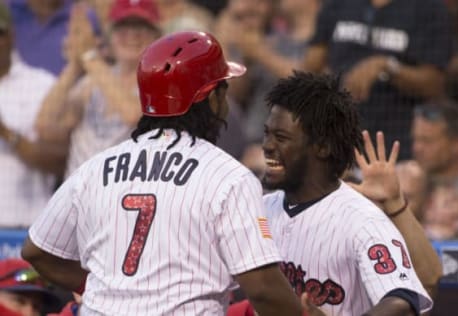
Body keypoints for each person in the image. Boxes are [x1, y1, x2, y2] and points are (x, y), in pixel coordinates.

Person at [21, 31, 324, 316]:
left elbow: (37, 251)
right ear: (209, 98)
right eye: (222, 89)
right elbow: (263, 289)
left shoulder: (95, 167)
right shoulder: (228, 176)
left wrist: (102, 289)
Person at [260, 71, 432, 315]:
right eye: (267, 133)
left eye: (281, 137)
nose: (267, 146)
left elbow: (402, 301)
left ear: (322, 147)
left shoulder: (363, 220)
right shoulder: (258, 209)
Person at [302, 0, 454, 160]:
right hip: (338, 138)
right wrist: (336, 82)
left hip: (397, 144)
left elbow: (434, 84)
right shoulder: (338, 4)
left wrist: (387, 67)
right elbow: (310, 67)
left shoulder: (429, 8)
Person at [35, 0, 160, 178]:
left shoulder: (161, 80)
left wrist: (89, 56)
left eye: (142, 27)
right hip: (79, 195)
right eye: (123, 27)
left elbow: (133, 115)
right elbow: (45, 127)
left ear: (157, 36)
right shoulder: (91, 81)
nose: (132, 35)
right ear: (110, 35)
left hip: (125, 194)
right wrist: (74, 66)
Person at [0, 0, 66, 228]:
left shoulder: (42, 85)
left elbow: (61, 161)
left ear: (12, 36)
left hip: (25, 226)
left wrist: (6, 132)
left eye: (0, 33)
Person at [404, 99, 458, 240]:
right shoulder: (399, 183)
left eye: (427, 141)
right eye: (415, 139)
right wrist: (414, 199)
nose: (417, 148)